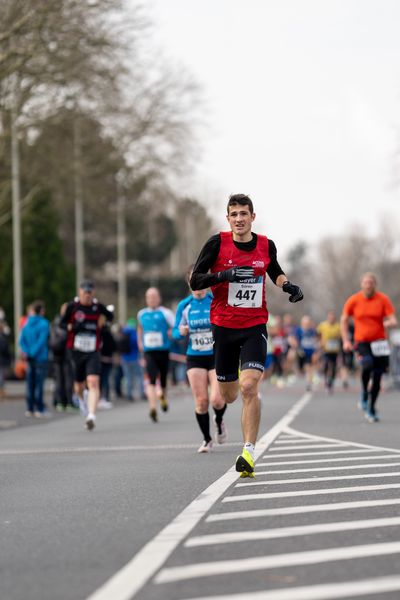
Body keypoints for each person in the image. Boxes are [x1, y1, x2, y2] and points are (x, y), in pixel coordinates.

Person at [190, 193, 303, 477]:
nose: (239, 219)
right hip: (224, 327)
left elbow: (273, 270)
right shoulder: (217, 243)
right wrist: (223, 276)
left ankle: (249, 452)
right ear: (227, 219)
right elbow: (196, 279)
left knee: (249, 387)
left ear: (253, 216)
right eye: (234, 214)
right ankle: (232, 412)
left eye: (244, 214)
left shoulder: (266, 245)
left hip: (254, 326)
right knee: (227, 396)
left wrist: (287, 285)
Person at [173, 268, 227, 453]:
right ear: (189, 284)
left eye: (202, 281)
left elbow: (227, 322)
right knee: (202, 401)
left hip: (214, 356)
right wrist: (181, 332)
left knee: (218, 400)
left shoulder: (214, 300)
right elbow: (174, 331)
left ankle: (219, 421)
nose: (199, 286)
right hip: (194, 357)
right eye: (194, 281)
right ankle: (207, 439)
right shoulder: (184, 305)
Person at [341, 272, 397, 422]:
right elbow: (344, 320)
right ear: (362, 284)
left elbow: (393, 319)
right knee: (367, 365)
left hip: (380, 342)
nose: (368, 285)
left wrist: (389, 322)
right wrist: (346, 340)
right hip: (362, 342)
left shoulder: (383, 299)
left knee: (378, 376)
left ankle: (371, 408)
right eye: (366, 282)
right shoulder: (354, 300)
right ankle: (365, 392)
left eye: (371, 282)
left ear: (375, 285)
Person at [60, 279, 113, 430]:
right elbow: (61, 323)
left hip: (93, 350)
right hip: (76, 351)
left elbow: (110, 316)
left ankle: (91, 416)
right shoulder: (73, 307)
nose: (87, 295)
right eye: (85, 292)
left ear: (93, 293)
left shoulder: (98, 307)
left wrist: (104, 322)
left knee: (93, 382)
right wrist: (69, 326)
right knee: (78, 385)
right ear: (80, 292)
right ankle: (82, 400)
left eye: (90, 292)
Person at [137, 287, 174, 422]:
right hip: (149, 351)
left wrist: (171, 333)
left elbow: (175, 327)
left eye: (154, 296)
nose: (152, 299)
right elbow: (140, 328)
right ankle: (153, 408)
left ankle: (163, 397)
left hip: (163, 350)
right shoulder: (141, 314)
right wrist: (139, 342)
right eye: (149, 297)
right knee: (151, 379)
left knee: (163, 379)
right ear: (146, 299)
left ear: (159, 298)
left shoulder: (166, 313)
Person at [19, 300, 51, 417]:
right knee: (39, 384)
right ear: (41, 311)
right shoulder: (44, 323)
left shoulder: (26, 323)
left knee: (30, 383)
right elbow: (42, 341)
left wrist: (27, 352)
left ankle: (29, 408)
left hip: (29, 358)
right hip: (40, 357)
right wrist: (33, 352)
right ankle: (39, 409)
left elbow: (21, 340)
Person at [49, 303, 75, 411]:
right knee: (68, 379)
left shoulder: (54, 322)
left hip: (56, 354)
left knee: (58, 379)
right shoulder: (67, 323)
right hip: (66, 354)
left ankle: (58, 401)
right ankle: (68, 402)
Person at [118, 318, 145, 401]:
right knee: (139, 376)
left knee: (128, 377)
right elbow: (139, 346)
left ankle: (129, 394)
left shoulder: (123, 334)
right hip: (134, 358)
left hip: (124, 359)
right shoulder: (135, 335)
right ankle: (142, 393)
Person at [317, 310, 342, 393]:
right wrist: (320, 342)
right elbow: (318, 334)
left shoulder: (338, 326)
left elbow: (341, 336)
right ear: (328, 317)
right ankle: (325, 379)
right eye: (330, 317)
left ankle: (331, 382)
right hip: (325, 349)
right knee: (326, 365)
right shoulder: (322, 325)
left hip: (334, 350)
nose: (331, 319)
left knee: (334, 367)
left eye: (333, 317)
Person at [296, 315, 319, 391]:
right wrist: (297, 348)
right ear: (302, 323)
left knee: (308, 367)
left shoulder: (312, 331)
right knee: (302, 368)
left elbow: (316, 340)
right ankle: (305, 376)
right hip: (302, 352)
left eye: (308, 323)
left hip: (310, 352)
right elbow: (294, 339)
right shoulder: (299, 330)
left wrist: (316, 350)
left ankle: (309, 383)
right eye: (305, 323)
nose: (307, 325)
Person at [0, 321, 11, 399]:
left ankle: (2, 392)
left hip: (3, 360)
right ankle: (1, 392)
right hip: (2, 360)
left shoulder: (3, 337)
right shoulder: (2, 337)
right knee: (1, 378)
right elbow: (4, 348)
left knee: (2, 377)